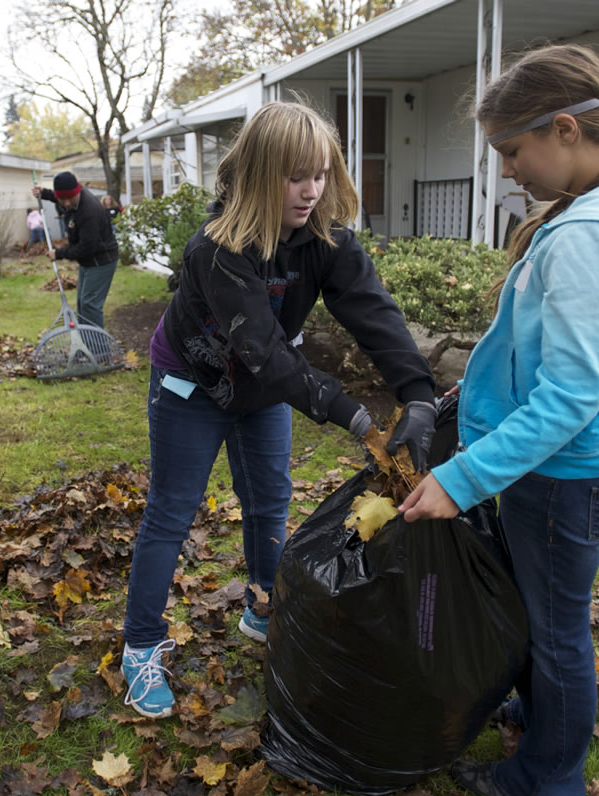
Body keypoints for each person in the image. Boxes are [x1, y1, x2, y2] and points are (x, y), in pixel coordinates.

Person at [398, 44, 599, 796]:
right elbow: (547, 357)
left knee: (557, 630)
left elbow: (570, 396)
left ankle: (548, 782)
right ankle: (540, 720)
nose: (506, 169)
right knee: (540, 612)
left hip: (576, 469)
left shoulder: (593, 235)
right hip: (570, 459)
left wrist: (462, 478)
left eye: (510, 150)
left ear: (565, 129)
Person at [120, 101, 437, 719]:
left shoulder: (324, 240)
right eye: (297, 176)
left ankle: (263, 606)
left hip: (265, 385)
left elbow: (375, 315)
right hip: (194, 383)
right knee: (171, 513)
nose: (312, 191)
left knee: (270, 499)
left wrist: (418, 394)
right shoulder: (216, 248)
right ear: (262, 173)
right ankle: (140, 645)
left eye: (320, 174)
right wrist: (359, 419)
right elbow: (261, 347)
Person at [32, 172, 118, 328]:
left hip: (101, 260)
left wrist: (58, 254)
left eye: (69, 199)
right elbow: (61, 198)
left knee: (90, 304)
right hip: (88, 261)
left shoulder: (88, 211)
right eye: (62, 199)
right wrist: (44, 193)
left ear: (77, 193)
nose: (65, 203)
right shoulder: (72, 198)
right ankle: (86, 344)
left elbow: (86, 248)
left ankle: (100, 350)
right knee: (82, 303)